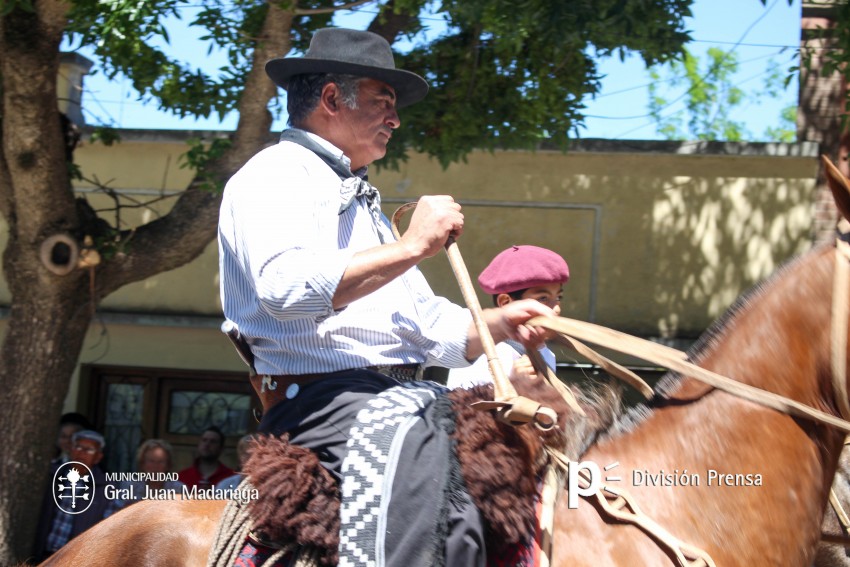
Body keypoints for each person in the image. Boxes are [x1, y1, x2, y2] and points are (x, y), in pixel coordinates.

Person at [218, 27, 554, 566]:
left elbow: (428, 327)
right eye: (384, 102)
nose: (395, 119)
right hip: (322, 404)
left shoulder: (360, 197)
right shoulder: (273, 175)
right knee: (446, 497)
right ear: (331, 98)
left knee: (519, 457)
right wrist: (415, 244)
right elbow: (285, 289)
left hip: (394, 400)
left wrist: (504, 321)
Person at [448, 245, 570, 389]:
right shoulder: (482, 350)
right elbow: (463, 403)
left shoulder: (543, 350)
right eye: (542, 298)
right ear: (506, 302)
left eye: (558, 297)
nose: (555, 308)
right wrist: (515, 382)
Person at [33, 430, 121, 562]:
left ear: (98, 457)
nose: (82, 452)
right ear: (70, 450)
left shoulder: (107, 488)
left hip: (77, 560)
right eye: (78, 447)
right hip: (43, 556)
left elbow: (109, 534)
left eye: (89, 450)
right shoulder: (52, 476)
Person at [116, 438, 184, 505]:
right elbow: (114, 511)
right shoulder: (130, 486)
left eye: (161, 462)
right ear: (142, 464)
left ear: (168, 465)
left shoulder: (178, 489)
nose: (155, 466)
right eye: (151, 461)